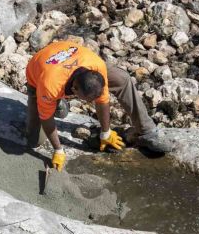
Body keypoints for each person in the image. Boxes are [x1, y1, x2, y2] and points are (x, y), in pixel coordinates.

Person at [25, 40, 172, 171]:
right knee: (34, 141)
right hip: (39, 73)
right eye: (87, 99)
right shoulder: (50, 85)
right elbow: (46, 119)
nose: (90, 103)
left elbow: (102, 101)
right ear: (74, 90)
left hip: (72, 56)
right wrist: (58, 150)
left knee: (122, 79)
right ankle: (54, 103)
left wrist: (105, 133)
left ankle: (146, 130)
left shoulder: (97, 66)